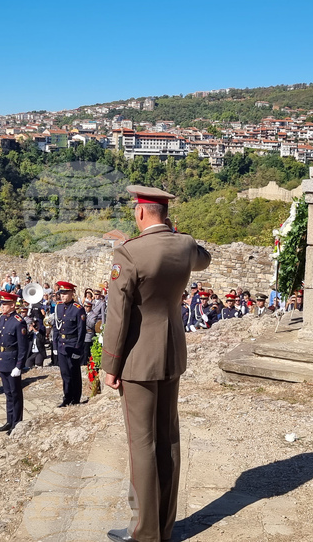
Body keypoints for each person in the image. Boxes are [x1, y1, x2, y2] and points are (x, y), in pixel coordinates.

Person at [102, 185, 211, 542]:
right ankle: (164, 526)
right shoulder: (184, 245)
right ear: (165, 214)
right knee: (169, 440)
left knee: (142, 444)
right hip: (171, 352)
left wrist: (110, 365)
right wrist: (172, 234)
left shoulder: (128, 253)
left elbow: (117, 317)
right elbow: (203, 258)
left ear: (140, 213)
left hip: (136, 358)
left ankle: (144, 532)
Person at [0, 290, 27, 434]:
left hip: (13, 361)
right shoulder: (2, 319)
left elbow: (23, 346)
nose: (2, 306)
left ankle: (16, 422)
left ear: (13, 305)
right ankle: (9, 420)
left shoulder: (19, 322)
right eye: (2, 303)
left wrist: (19, 365)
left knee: (15, 393)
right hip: (3, 359)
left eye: (5, 304)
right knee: (7, 393)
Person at [52, 281, 86, 407]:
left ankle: (75, 397)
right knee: (65, 373)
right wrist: (55, 345)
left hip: (73, 345)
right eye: (61, 293)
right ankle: (67, 397)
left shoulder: (78, 309)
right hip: (62, 345)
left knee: (74, 372)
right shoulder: (59, 307)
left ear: (72, 293)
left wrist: (78, 350)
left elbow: (81, 331)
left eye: (66, 293)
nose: (63, 296)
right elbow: (56, 327)